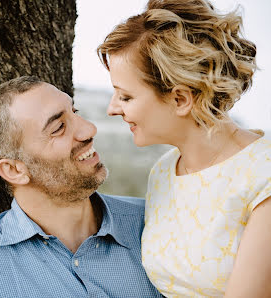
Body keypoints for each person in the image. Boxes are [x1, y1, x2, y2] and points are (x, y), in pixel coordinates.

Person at [97, 0, 271, 297]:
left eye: (125, 97)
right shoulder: (164, 172)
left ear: (180, 99)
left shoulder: (263, 178)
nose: (112, 108)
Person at [0, 76, 161, 297]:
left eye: (75, 112)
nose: (89, 129)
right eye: (59, 127)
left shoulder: (156, 222)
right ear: (14, 170)